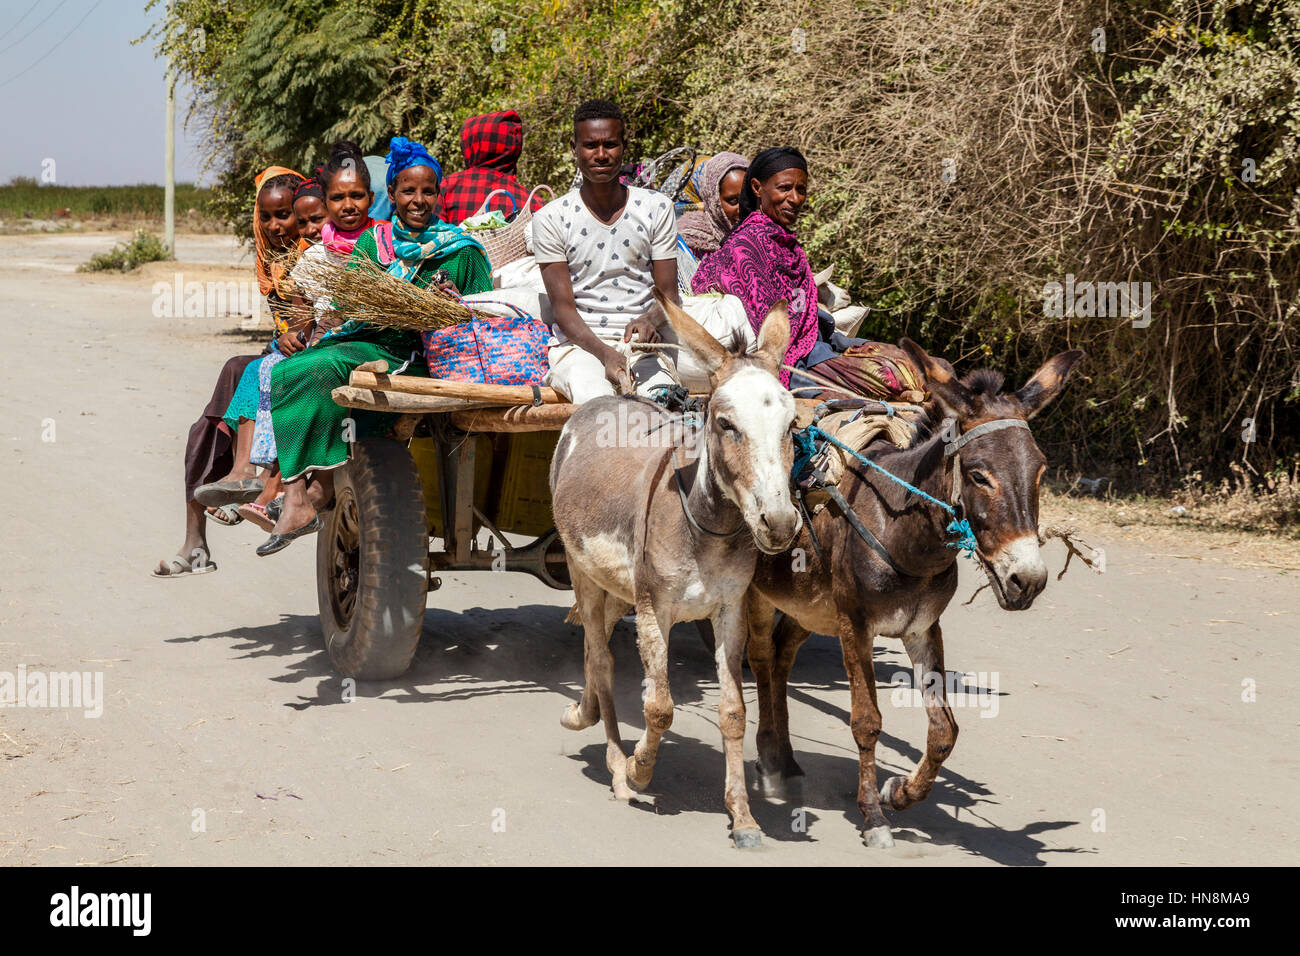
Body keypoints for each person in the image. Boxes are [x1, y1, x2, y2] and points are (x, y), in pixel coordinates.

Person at [258, 135, 492, 556]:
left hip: (418, 354)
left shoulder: (464, 251)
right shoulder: (375, 243)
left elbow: (486, 315)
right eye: (408, 190)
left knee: (321, 368)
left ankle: (311, 495)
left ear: (439, 195)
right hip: (365, 341)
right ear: (393, 194)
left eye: (427, 191)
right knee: (285, 369)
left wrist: (453, 305)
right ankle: (297, 495)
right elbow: (347, 309)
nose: (417, 200)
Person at [535, 100, 754, 404]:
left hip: (645, 346)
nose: (601, 155)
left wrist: (651, 321)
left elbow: (669, 295)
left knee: (660, 407)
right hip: (580, 348)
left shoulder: (655, 207)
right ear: (574, 148)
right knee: (598, 404)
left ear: (624, 146)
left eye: (610, 144)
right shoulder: (551, 218)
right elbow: (563, 310)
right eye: (590, 145)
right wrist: (606, 354)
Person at [153, 166, 305, 577]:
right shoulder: (271, 257)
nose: (274, 226)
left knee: (247, 373)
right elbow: (284, 323)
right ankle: (197, 536)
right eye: (266, 217)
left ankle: (241, 487)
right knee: (206, 424)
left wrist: (286, 343)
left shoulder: (319, 250)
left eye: (285, 215)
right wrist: (282, 341)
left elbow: (320, 318)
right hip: (286, 349)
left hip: (312, 354)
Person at [690, 146, 821, 387]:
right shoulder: (744, 244)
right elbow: (767, 319)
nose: (795, 198)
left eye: (801, 190)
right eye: (784, 188)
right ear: (757, 189)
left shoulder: (782, 242)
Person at [438, 110, 545, 225]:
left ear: (470, 145)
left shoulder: (448, 187)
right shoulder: (533, 202)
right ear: (514, 148)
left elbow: (433, 234)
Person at [675, 151, 748, 259]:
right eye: (733, 201)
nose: (743, 208)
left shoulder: (761, 230)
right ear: (713, 201)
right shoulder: (689, 241)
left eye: (747, 197)